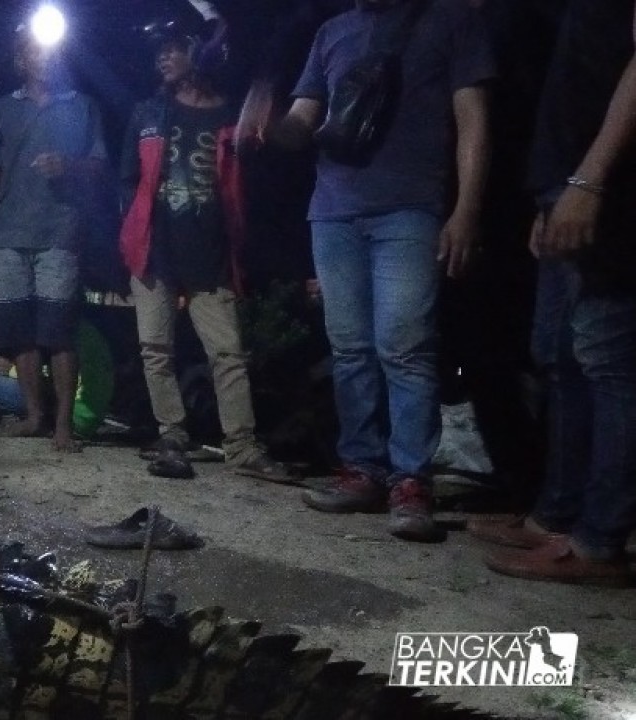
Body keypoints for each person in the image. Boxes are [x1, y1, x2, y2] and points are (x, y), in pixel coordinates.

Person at [267, 0, 494, 540]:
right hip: (332, 210)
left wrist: (467, 210)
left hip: (410, 207)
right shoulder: (332, 32)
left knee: (405, 347)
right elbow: (304, 116)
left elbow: (474, 120)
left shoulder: (451, 21)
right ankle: (362, 469)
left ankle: (411, 481)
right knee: (350, 348)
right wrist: (268, 121)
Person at [472, 1, 636, 587]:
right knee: (561, 356)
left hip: (609, 189)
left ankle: (599, 541)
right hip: (565, 183)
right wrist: (554, 192)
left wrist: (589, 181)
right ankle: (557, 518)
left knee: (608, 362)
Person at [119, 14, 295, 483]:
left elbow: (256, 179)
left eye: (174, 47)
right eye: (160, 50)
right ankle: (172, 434)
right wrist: (131, 233)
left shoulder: (231, 116)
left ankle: (242, 445)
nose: (164, 56)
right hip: (154, 250)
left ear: (200, 51)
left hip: (212, 253)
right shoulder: (147, 112)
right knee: (155, 349)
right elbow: (127, 179)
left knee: (229, 353)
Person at [0, 26, 108, 453]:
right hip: (8, 232)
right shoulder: (4, 108)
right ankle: (33, 416)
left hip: (60, 231)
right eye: (34, 53)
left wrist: (69, 166)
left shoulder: (81, 106)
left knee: (59, 331)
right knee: (19, 330)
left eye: (50, 52)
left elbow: (99, 167)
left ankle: (63, 426)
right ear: (21, 61)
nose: (43, 59)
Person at [0, 318, 113, 440]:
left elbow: (59, 382)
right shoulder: (87, 332)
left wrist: (11, 370)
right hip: (90, 417)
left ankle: (42, 422)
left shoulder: (56, 330)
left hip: (74, 416)